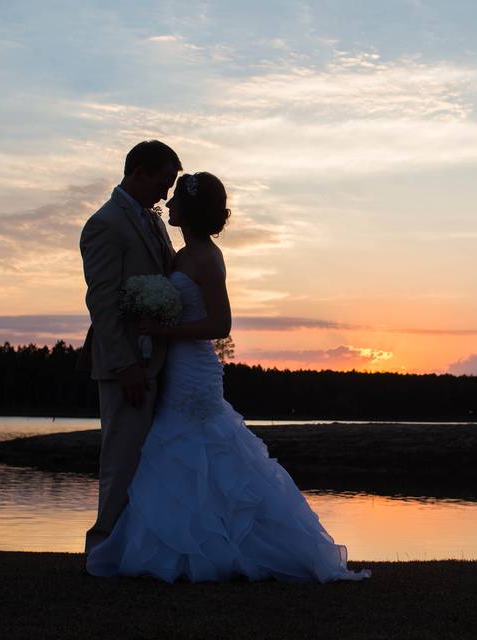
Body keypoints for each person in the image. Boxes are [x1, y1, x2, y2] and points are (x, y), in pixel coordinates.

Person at [85, 171, 370, 583]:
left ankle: (225, 548)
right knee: (174, 453)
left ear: (191, 210)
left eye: (176, 199)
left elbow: (221, 324)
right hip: (173, 366)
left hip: (194, 368)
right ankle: (181, 547)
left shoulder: (206, 258)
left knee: (203, 447)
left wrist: (166, 330)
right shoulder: (180, 255)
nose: (168, 205)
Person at [79, 140, 182, 554]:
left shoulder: (153, 221)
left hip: (160, 359)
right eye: (163, 182)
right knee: (121, 461)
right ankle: (101, 551)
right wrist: (125, 365)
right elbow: (101, 301)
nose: (166, 194)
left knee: (153, 461)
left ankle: (140, 548)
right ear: (138, 171)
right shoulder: (104, 224)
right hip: (126, 365)